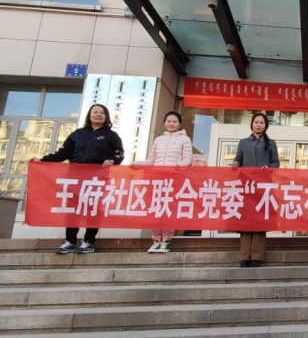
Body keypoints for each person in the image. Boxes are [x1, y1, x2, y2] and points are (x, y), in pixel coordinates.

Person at [35, 104, 124, 255]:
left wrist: (112, 160)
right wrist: (41, 161)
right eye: (95, 112)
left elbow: (119, 154)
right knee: (73, 210)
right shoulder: (77, 134)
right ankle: (69, 241)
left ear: (106, 117)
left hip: (97, 179)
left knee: (93, 210)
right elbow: (63, 153)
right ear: (89, 115)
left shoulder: (112, 136)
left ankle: (89, 241)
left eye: (102, 113)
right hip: (75, 178)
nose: (98, 115)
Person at [134, 111, 193, 254]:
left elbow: (187, 158)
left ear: (179, 124)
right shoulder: (158, 140)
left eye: (174, 121)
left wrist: (178, 166)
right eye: (169, 121)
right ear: (164, 123)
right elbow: (151, 160)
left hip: (173, 179)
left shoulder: (184, 139)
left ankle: (166, 240)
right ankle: (156, 240)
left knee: (168, 208)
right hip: (157, 179)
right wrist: (137, 163)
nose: (171, 124)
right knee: (156, 208)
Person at [232, 112, 280, 268]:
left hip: (263, 186)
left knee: (260, 220)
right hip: (245, 187)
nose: (258, 125)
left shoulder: (270, 143)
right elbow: (238, 159)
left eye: (261, 123)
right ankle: (244, 256)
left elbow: (276, 163)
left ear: (266, 126)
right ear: (251, 124)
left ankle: (257, 257)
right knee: (245, 221)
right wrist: (235, 163)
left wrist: (269, 167)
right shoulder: (243, 142)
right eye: (256, 122)